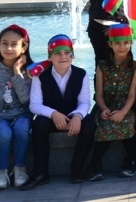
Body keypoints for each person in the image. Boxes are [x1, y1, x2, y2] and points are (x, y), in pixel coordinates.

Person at [20, 35, 96, 190]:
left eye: (67, 53)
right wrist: (53, 114)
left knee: (89, 124)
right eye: (57, 53)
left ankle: (77, 169)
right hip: (50, 118)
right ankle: (40, 173)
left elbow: (84, 102)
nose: (63, 57)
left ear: (72, 56)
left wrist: (77, 116)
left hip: (72, 115)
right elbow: (35, 105)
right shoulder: (39, 75)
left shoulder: (81, 74)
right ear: (50, 56)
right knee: (39, 124)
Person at [0, 25, 34, 190]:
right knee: (4, 133)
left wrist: (17, 72)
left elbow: (26, 101)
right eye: (4, 43)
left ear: (23, 47)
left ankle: (20, 168)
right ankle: (1, 171)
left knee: (21, 129)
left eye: (14, 44)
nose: (8, 48)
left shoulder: (30, 70)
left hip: (22, 115)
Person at [87, 23, 136, 181]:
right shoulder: (102, 66)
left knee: (125, 123)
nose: (122, 46)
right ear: (110, 44)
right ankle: (95, 164)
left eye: (126, 42)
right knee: (105, 124)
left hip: (126, 107)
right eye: (117, 43)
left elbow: (132, 94)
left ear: (131, 42)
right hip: (106, 107)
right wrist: (104, 109)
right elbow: (99, 94)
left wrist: (124, 111)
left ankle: (131, 160)